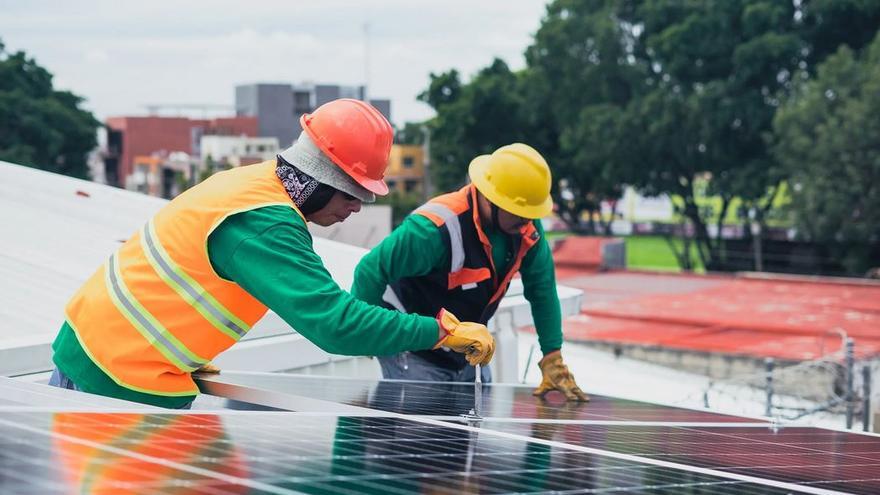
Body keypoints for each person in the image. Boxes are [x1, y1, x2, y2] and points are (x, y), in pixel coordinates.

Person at [49, 99, 495, 408]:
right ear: (323, 177)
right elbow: (334, 325)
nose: (358, 206)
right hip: (114, 375)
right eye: (354, 193)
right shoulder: (265, 223)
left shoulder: (255, 184)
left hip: (111, 355)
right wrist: (439, 331)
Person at [351, 143, 587, 401]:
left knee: (468, 431)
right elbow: (370, 270)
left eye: (531, 214)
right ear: (490, 199)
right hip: (416, 350)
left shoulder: (525, 229)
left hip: (468, 349)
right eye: (520, 213)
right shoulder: (434, 229)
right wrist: (367, 333)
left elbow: (542, 290)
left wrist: (552, 355)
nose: (527, 222)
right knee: (422, 431)